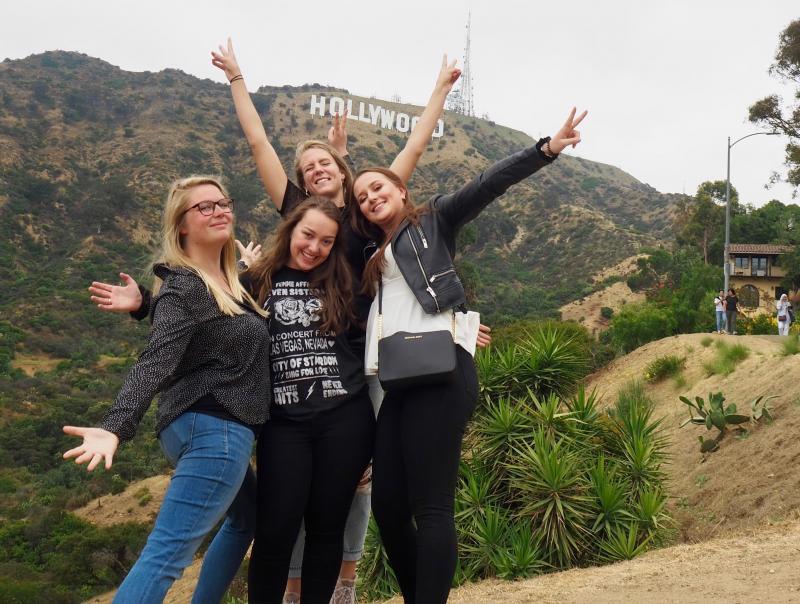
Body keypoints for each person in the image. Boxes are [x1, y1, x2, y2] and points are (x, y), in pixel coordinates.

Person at [352, 107, 587, 603]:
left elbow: (486, 184)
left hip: (440, 372)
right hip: (398, 381)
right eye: (362, 196)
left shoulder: (433, 219)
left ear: (401, 191)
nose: (371, 197)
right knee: (389, 508)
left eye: (379, 187)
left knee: (431, 505)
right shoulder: (373, 255)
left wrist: (545, 149)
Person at [64, 177, 270, 604]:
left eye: (223, 203)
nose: (219, 211)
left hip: (204, 425)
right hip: (215, 429)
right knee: (166, 554)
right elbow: (157, 358)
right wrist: (115, 427)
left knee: (248, 518)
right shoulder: (184, 286)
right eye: (204, 207)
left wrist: (144, 305)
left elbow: (205, 326)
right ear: (181, 226)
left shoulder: (223, 280)